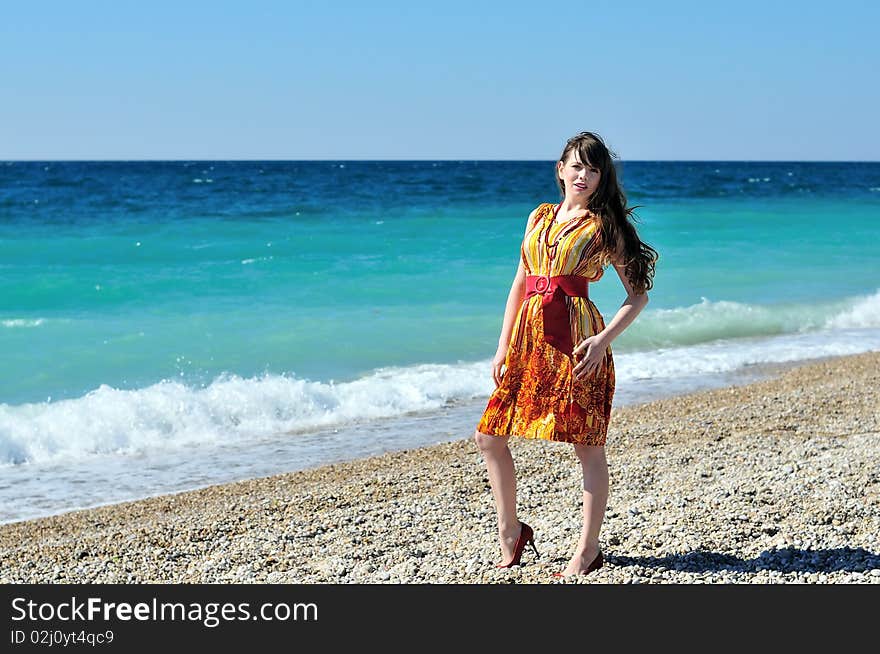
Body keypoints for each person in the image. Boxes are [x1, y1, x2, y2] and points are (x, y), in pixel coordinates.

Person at [474, 131, 658, 577]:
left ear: (601, 178)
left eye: (592, 169)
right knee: (489, 436)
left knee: (587, 445)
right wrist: (502, 345)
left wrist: (603, 341)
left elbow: (638, 295)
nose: (583, 175)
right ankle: (510, 532)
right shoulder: (538, 217)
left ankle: (588, 549)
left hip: (579, 342)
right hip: (527, 341)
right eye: (576, 166)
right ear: (560, 169)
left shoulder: (604, 226)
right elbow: (520, 282)